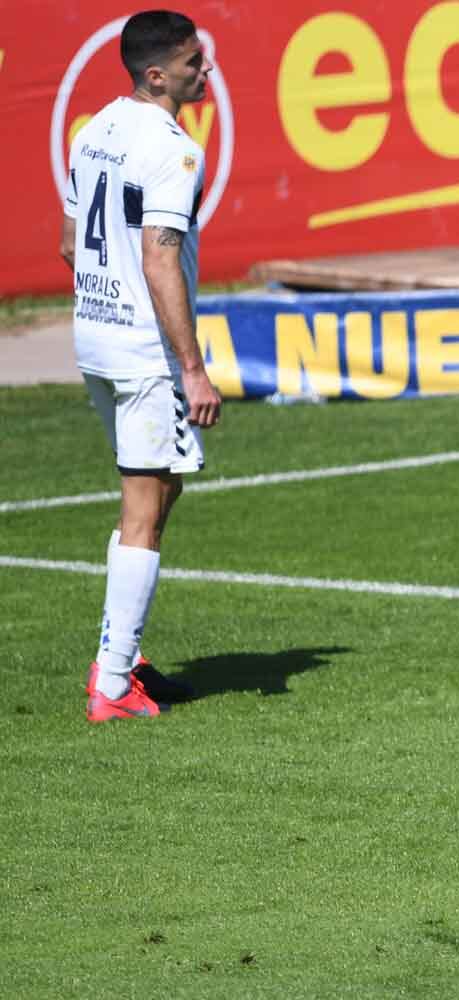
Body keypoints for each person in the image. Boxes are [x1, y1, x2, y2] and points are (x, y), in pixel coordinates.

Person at [61, 10, 221, 722]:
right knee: (145, 509)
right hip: (142, 352)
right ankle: (113, 682)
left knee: (161, 489)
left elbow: (71, 243)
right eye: (193, 62)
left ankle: (123, 649)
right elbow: (160, 257)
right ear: (157, 74)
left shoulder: (94, 129)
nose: (205, 70)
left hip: (95, 339)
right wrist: (191, 367)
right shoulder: (172, 150)